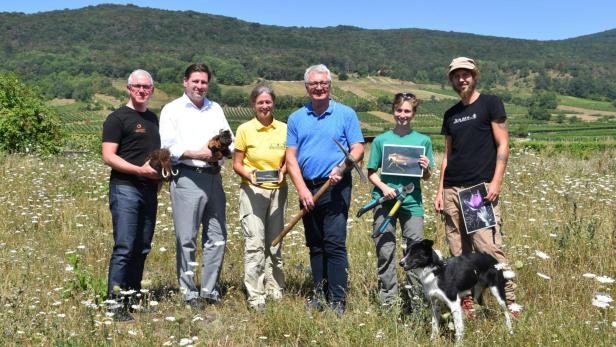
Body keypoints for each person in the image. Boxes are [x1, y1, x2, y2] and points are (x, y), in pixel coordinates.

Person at [433, 57, 520, 317]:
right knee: (458, 250)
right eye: (456, 75)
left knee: (488, 248)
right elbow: (448, 156)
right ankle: (465, 298)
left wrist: (496, 182)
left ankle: (510, 300)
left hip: (477, 190)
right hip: (451, 190)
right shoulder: (450, 114)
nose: (461, 79)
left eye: (466, 74)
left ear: (475, 75)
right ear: (451, 80)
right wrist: (440, 191)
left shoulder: (490, 103)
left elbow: (503, 144)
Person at [286, 64, 364, 315]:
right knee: (315, 245)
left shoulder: (345, 114)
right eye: (313, 84)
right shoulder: (296, 118)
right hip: (308, 189)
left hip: (336, 187)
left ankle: (338, 300)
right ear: (306, 88)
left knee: (334, 244)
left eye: (323, 83)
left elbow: (358, 149)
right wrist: (302, 190)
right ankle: (319, 295)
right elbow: (291, 159)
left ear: (330, 86)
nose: (319, 88)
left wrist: (342, 168)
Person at [159, 63, 234, 309]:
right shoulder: (172, 110)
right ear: (185, 82)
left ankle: (209, 290)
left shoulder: (216, 109)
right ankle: (188, 291)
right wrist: (198, 154)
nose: (200, 86)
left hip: (214, 177)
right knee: (187, 238)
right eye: (196, 81)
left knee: (217, 236)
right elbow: (168, 147)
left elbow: (229, 139)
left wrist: (223, 153)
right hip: (187, 177)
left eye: (204, 82)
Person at [102, 69, 160, 321]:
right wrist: (139, 170)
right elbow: (108, 156)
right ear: (128, 88)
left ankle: (132, 298)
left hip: (149, 190)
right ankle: (114, 304)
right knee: (125, 246)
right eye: (137, 86)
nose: (141, 90)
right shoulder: (117, 118)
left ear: (152, 90)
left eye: (146, 87)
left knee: (143, 246)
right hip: (125, 188)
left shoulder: (153, 119)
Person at [366, 92, 434, 308]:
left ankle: (416, 302)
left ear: (413, 113)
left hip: (412, 203)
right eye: (399, 110)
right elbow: (371, 172)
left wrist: (426, 167)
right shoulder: (381, 140)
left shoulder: (423, 140)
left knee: (415, 253)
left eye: (407, 111)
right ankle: (389, 301)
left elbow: (426, 176)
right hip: (384, 202)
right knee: (385, 251)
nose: (402, 115)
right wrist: (385, 188)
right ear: (393, 111)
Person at [232, 85, 288, 312]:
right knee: (255, 244)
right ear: (253, 105)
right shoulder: (245, 129)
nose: (264, 106)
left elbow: (289, 158)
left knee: (275, 243)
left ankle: (275, 289)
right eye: (260, 102)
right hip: (253, 192)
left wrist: (283, 170)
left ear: (273, 103)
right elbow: (237, 163)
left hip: (278, 191)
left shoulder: (284, 128)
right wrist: (248, 175)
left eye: (268, 102)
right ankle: (256, 296)